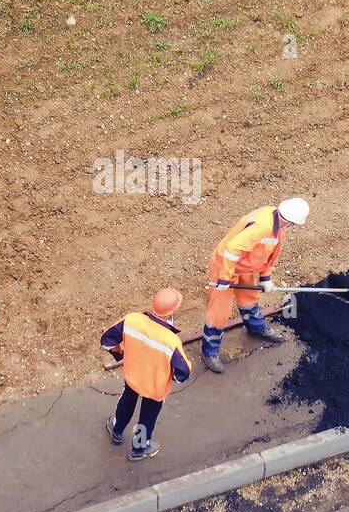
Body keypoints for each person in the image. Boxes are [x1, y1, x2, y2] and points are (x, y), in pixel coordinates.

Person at [201, 198, 309, 373]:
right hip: (226, 265)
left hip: (246, 266)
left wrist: (266, 277)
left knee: (250, 300)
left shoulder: (278, 228)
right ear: (290, 222)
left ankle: (256, 328)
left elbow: (271, 255)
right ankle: (209, 351)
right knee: (220, 312)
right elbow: (232, 249)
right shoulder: (264, 226)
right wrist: (225, 278)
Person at [101, 287, 190, 461]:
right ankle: (139, 447)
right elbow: (183, 372)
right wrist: (172, 377)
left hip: (133, 377)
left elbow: (107, 341)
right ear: (172, 312)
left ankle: (116, 430)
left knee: (126, 402)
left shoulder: (132, 320)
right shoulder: (171, 341)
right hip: (155, 387)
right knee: (147, 416)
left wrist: (122, 354)